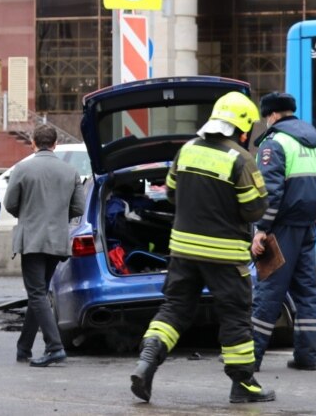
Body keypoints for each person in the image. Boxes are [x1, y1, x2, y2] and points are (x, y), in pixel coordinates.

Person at [130, 91, 274, 405]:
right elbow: (255, 209)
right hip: (225, 256)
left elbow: (170, 194)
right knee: (235, 316)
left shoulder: (187, 150)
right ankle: (243, 384)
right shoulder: (240, 158)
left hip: (182, 250)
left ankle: (148, 361)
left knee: (174, 310)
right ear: (243, 129)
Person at [251, 91, 316, 372]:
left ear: (271, 115)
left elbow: (270, 193)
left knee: (268, 289)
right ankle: (307, 357)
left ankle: (250, 358)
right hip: (307, 226)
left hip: (281, 229)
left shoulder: (274, 143)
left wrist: (261, 229)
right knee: (307, 292)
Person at [5, 123, 86, 367]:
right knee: (38, 293)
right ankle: (24, 347)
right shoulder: (70, 171)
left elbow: (10, 203)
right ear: (55, 144)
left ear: (32, 142)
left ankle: (54, 346)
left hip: (31, 239)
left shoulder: (22, 168)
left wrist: (28, 213)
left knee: (37, 294)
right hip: (57, 241)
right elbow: (79, 209)